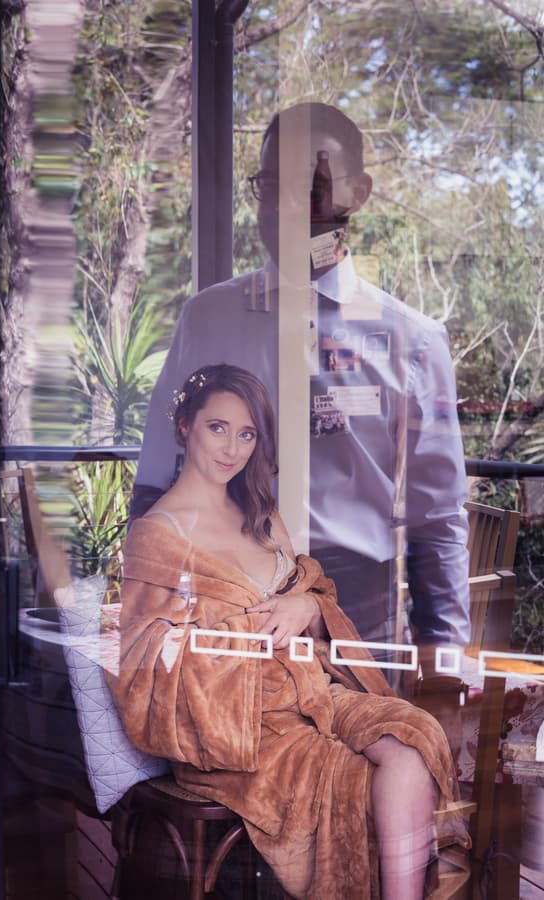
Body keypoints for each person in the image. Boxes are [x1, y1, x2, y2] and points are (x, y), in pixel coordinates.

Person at [132, 101, 470, 688]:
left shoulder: (411, 342)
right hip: (225, 606)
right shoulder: (208, 318)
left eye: (311, 186)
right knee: (226, 774)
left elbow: (436, 519)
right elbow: (157, 478)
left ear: (357, 193)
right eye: (271, 185)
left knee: (366, 770)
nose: (287, 207)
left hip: (360, 611)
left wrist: (444, 655)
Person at [111, 364, 468, 900]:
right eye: (218, 427)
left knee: (413, 737)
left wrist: (305, 603)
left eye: (247, 433)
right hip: (239, 734)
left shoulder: (260, 515)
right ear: (185, 425)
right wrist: (245, 630)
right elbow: (143, 662)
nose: (232, 447)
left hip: (313, 693)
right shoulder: (157, 535)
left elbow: (313, 592)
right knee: (353, 781)